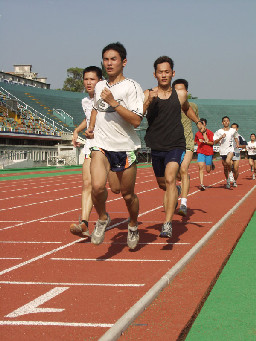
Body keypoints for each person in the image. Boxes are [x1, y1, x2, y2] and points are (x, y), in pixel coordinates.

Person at [85, 42, 144, 249]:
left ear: (124, 62)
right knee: (97, 186)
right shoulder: (100, 85)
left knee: (125, 194)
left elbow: (136, 121)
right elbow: (95, 108)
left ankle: (134, 224)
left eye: (113, 59)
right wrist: (91, 127)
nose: (109, 63)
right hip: (101, 145)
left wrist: (114, 102)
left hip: (124, 147)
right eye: (105, 59)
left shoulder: (132, 87)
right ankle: (102, 218)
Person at [143, 56, 203, 238]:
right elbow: (138, 114)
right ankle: (176, 191)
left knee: (170, 178)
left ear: (172, 73)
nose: (163, 75)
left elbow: (185, 108)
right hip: (156, 144)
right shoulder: (148, 94)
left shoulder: (180, 95)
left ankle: (167, 223)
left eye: (167, 71)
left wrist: (198, 122)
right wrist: (148, 101)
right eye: (160, 72)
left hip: (176, 144)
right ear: (155, 74)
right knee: (163, 184)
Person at [70, 66, 102, 238]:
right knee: (87, 184)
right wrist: (77, 130)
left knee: (117, 188)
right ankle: (84, 223)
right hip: (91, 144)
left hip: (107, 145)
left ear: (100, 81)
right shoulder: (85, 101)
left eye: (93, 79)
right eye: (86, 79)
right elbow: (88, 117)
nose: (89, 83)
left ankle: (104, 216)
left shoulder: (105, 99)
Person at [172, 79, 199, 216]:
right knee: (175, 173)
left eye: (181, 90)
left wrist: (203, 133)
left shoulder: (192, 106)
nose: (178, 93)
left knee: (183, 169)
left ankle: (183, 203)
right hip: (173, 143)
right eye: (175, 90)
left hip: (188, 142)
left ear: (186, 92)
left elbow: (196, 121)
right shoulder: (169, 106)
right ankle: (177, 188)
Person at [213, 116, 239, 188]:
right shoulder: (219, 131)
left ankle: (230, 173)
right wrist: (221, 137)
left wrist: (237, 143)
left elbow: (236, 136)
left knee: (228, 161)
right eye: (224, 121)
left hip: (230, 149)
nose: (226, 122)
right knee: (225, 168)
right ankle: (227, 181)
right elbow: (215, 142)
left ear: (229, 122)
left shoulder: (232, 130)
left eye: (227, 121)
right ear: (222, 122)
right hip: (222, 151)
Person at [194, 118, 214, 190]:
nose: (200, 125)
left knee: (208, 170)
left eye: (202, 123)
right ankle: (201, 184)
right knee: (200, 166)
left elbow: (212, 143)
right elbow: (195, 141)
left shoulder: (210, 133)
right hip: (200, 152)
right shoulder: (197, 133)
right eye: (199, 124)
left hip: (209, 152)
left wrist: (204, 141)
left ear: (205, 124)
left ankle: (211, 164)